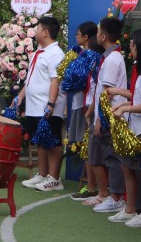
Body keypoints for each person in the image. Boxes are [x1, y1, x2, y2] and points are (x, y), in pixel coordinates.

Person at [108, 29, 141, 227]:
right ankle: (132, 208)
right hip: (136, 128)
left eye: (133, 45)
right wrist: (123, 103)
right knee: (128, 166)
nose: (130, 48)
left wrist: (126, 108)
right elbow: (137, 96)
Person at [16, 16, 66, 191]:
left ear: (45, 32)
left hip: (47, 105)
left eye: (37, 29)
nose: (35, 31)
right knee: (41, 139)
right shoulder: (39, 51)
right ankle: (43, 175)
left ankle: (55, 178)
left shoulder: (56, 54)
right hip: (33, 105)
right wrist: (20, 96)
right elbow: (30, 79)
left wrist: (51, 104)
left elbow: (55, 80)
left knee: (52, 142)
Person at [85, 17, 128, 212]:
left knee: (111, 158)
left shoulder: (112, 59)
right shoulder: (110, 57)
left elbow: (107, 94)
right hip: (105, 115)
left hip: (109, 116)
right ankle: (108, 195)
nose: (96, 35)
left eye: (98, 31)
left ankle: (115, 196)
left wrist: (99, 121)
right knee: (103, 156)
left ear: (103, 36)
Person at [66, 21, 100, 200]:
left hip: (88, 105)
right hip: (81, 103)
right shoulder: (79, 55)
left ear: (86, 37)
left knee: (89, 145)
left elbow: (93, 83)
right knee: (85, 145)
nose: (76, 37)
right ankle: (90, 185)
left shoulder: (92, 56)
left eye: (78, 34)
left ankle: (92, 186)